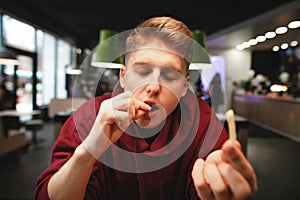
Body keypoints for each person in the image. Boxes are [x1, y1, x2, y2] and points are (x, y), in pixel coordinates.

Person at [34, 16, 257, 200]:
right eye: (142, 71)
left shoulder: (204, 123)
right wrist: (88, 150)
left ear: (184, 86)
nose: (153, 87)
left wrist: (222, 185)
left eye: (170, 75)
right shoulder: (87, 118)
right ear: (123, 76)